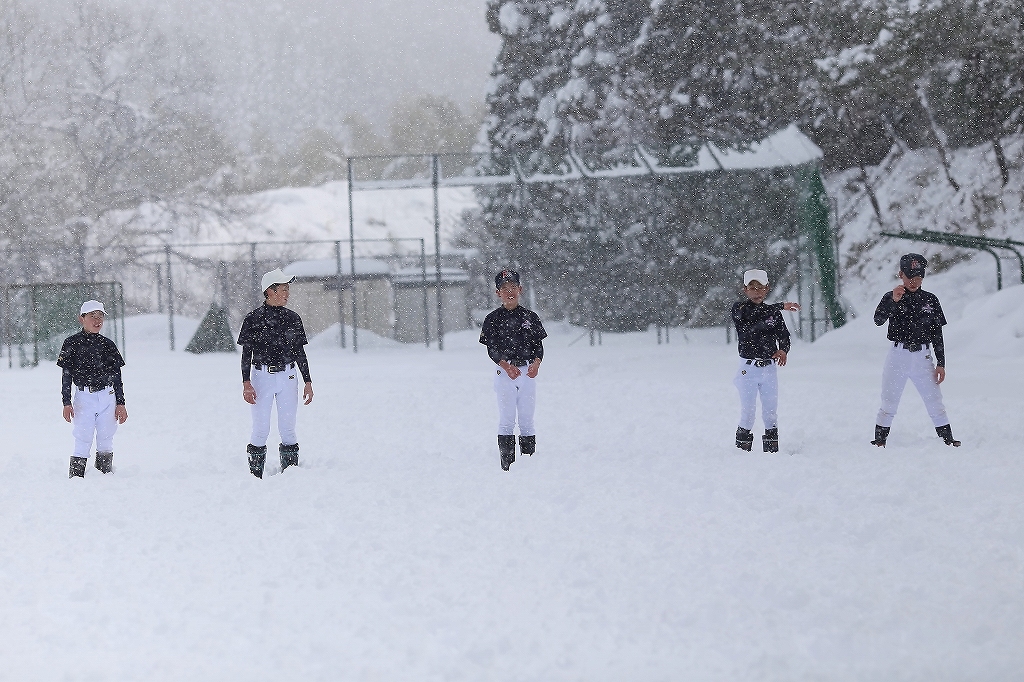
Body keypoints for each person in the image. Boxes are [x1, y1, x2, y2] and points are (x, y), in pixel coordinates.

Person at [870, 253, 960, 447]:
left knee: (935, 400)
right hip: (898, 356)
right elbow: (878, 320)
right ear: (900, 274)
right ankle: (879, 441)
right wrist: (892, 301)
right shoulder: (892, 296)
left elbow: (937, 333)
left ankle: (948, 440)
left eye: (918, 277)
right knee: (889, 401)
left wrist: (941, 363)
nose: (914, 282)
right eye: (910, 277)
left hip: (922, 357)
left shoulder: (930, 300)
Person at [237, 269, 314, 478]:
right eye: (283, 289)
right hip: (261, 377)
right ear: (270, 291)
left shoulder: (293, 318)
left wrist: (307, 380)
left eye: (288, 289)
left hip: (288, 377)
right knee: (261, 429)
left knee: (288, 429)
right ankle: (254, 477)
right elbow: (246, 354)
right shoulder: (253, 319)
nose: (287, 293)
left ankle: (291, 477)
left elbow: (299, 351)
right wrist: (246, 382)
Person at [479, 269, 547, 471]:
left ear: (520, 289)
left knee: (527, 419)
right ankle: (507, 465)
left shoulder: (530, 317)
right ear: (497, 292)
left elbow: (538, 345)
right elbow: (492, 348)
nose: (510, 292)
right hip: (505, 374)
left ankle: (529, 463)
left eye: (513, 287)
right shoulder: (493, 319)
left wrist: (536, 362)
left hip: (526, 373)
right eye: (504, 288)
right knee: (507, 419)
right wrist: (505, 365)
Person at [731, 270, 800, 453]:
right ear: (745, 289)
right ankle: (741, 455)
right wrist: (779, 305)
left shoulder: (774, 313)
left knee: (770, 413)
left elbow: (784, 336)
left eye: (760, 287)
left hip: (769, 369)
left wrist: (783, 350)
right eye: (752, 288)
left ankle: (771, 453)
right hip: (748, 370)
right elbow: (754, 317)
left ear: (767, 288)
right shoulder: (740, 309)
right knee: (748, 413)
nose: (757, 292)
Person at [58, 300, 128, 478]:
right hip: (84, 398)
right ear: (81, 318)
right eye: (92, 316)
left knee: (106, 438)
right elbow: (66, 375)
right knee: (82, 438)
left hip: (107, 397)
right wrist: (66, 402)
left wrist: (121, 403)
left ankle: (104, 476)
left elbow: (117, 377)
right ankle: (76, 478)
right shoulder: (71, 343)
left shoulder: (108, 345)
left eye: (100, 317)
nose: (97, 321)